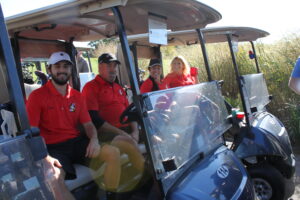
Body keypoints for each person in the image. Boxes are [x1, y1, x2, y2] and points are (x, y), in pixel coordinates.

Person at [26, 51, 121, 194]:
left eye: (66, 66)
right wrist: (45, 157)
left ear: (71, 70)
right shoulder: (37, 96)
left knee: (113, 153)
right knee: (54, 178)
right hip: (52, 148)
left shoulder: (77, 96)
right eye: (57, 66)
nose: (62, 70)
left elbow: (88, 125)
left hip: (75, 143)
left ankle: (110, 195)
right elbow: (32, 131)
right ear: (49, 69)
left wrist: (94, 139)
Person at [82, 53, 145, 191]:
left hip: (125, 131)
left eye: (115, 66)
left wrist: (135, 131)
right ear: (99, 67)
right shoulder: (91, 87)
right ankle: (144, 182)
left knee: (154, 137)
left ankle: (151, 177)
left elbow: (131, 112)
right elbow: (94, 119)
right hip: (106, 134)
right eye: (109, 65)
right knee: (128, 142)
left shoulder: (118, 88)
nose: (113, 69)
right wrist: (123, 133)